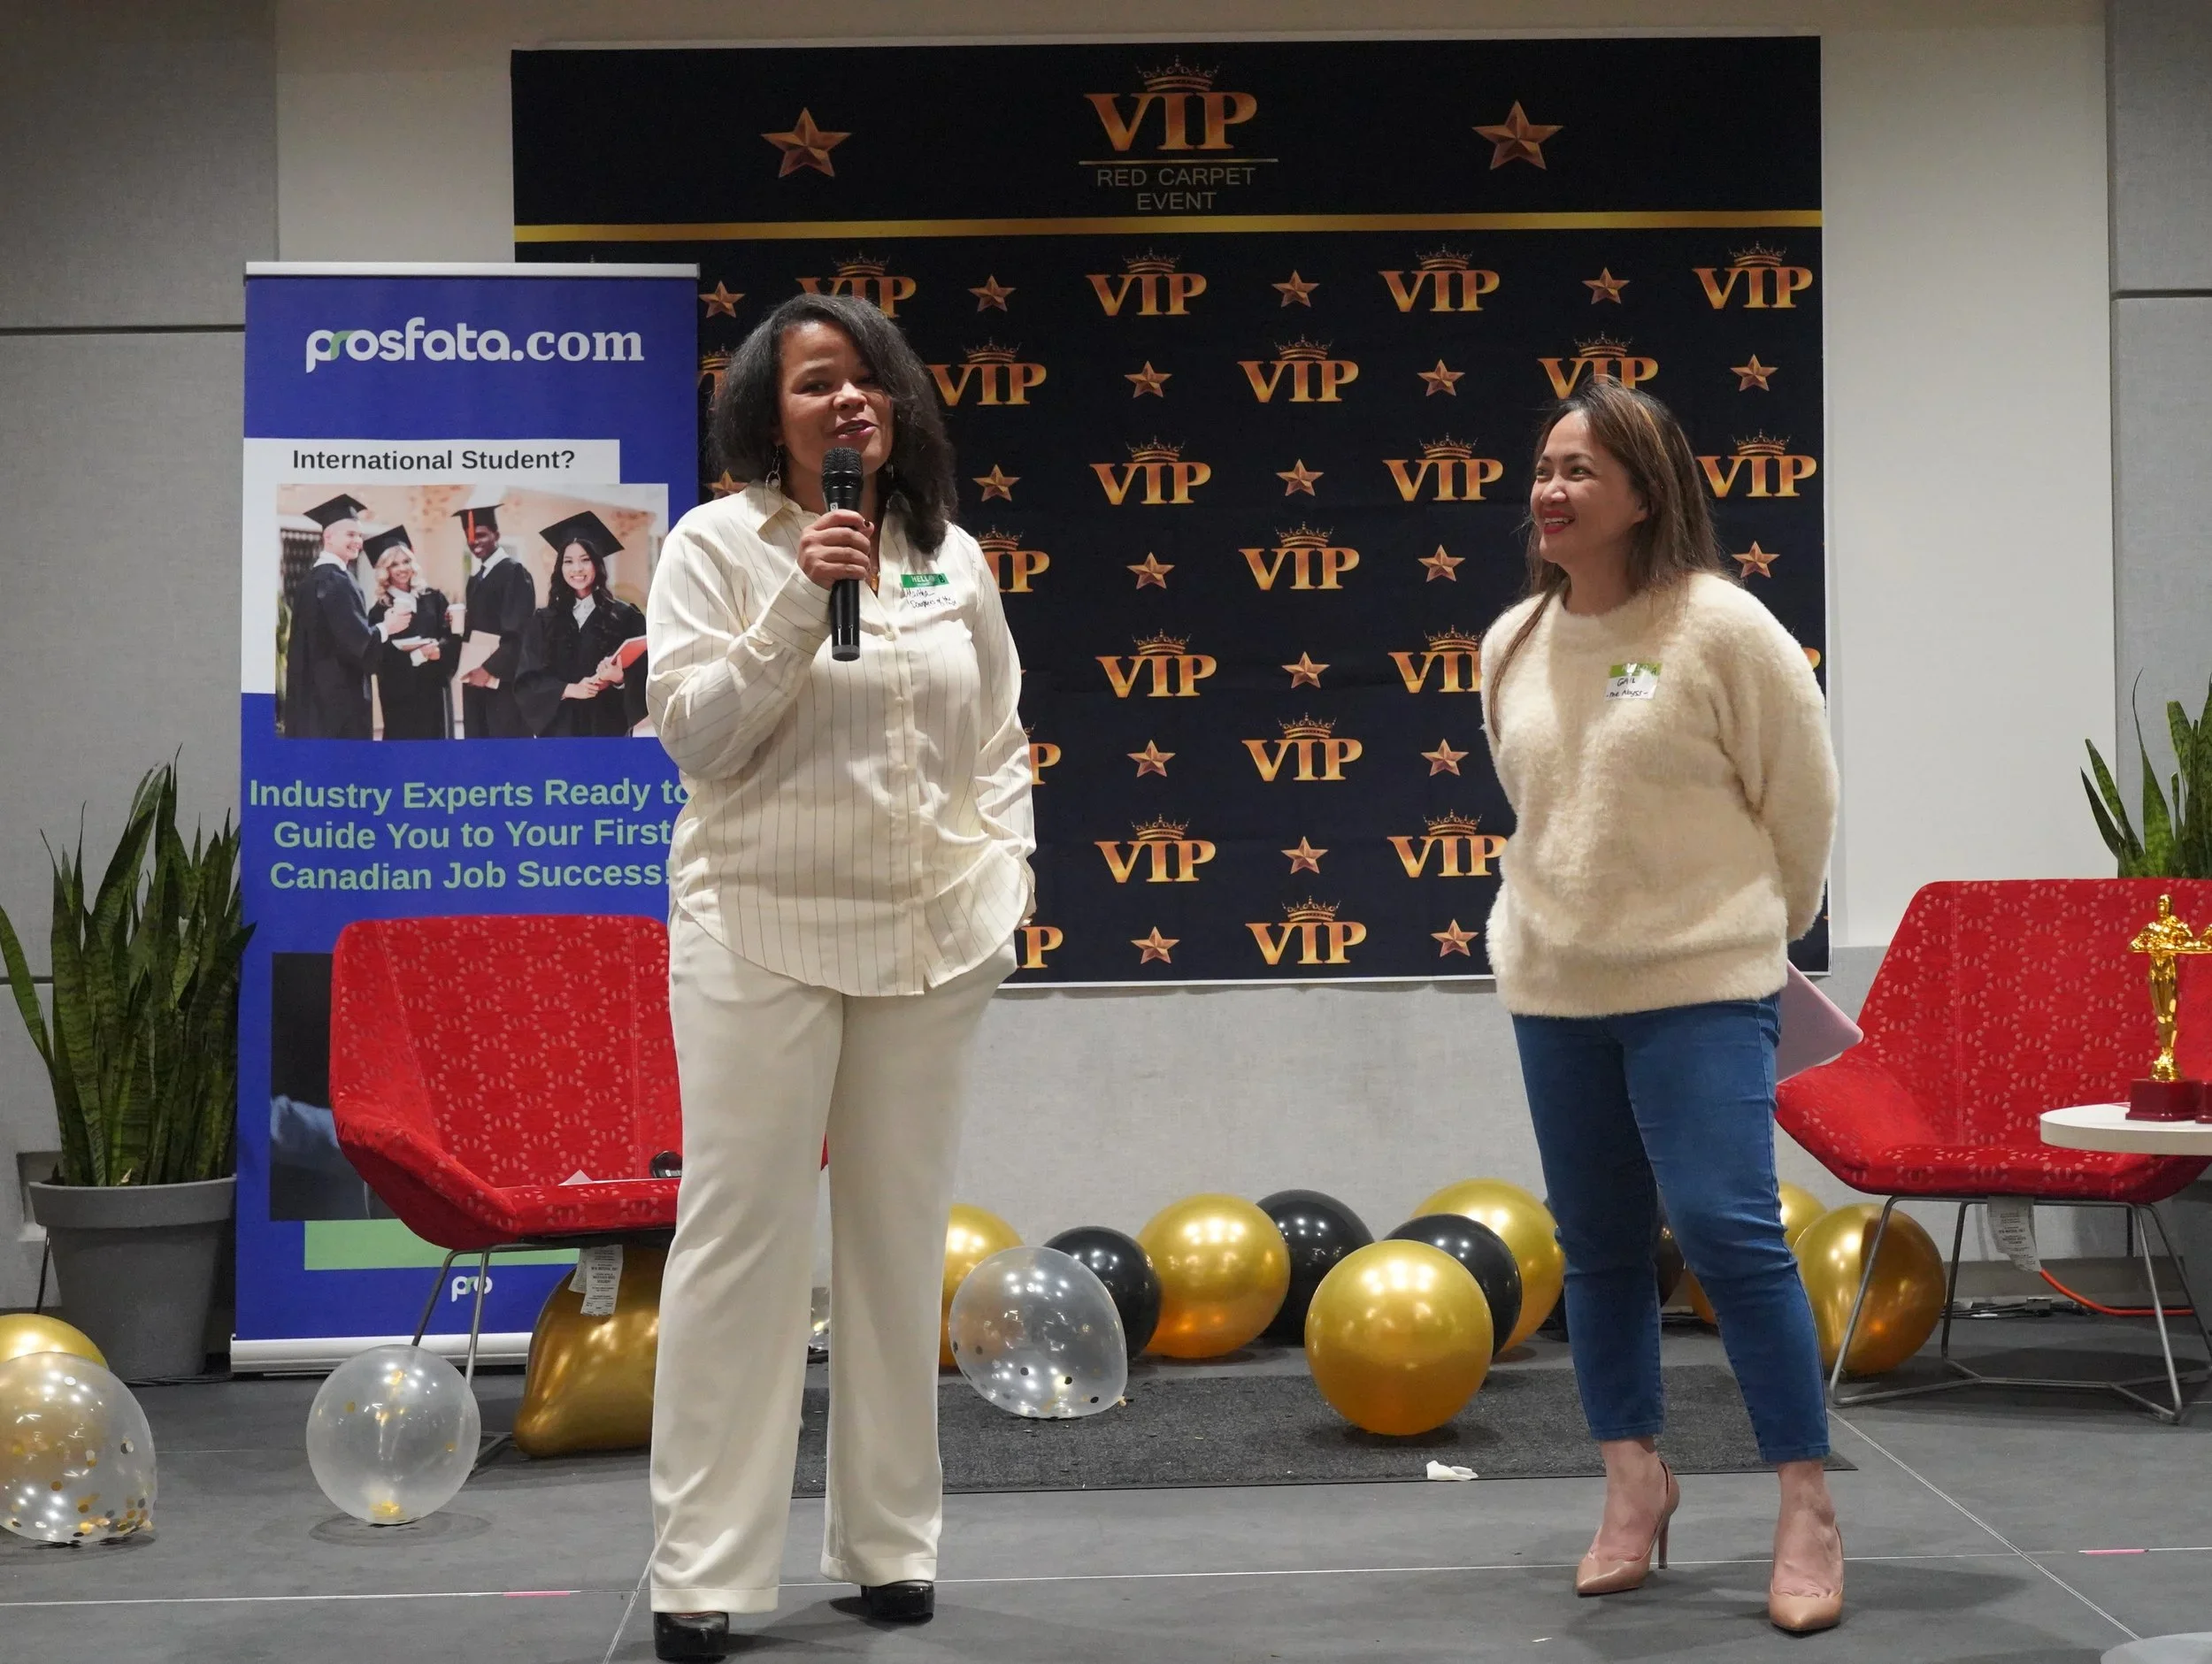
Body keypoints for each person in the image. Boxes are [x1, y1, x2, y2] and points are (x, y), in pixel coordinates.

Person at [643, 292, 1033, 1661]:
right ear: (769, 413)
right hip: (759, 927)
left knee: (895, 1239)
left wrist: (1006, 879)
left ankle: (888, 1545)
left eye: (867, 379)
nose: (848, 401)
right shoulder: (713, 547)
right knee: (741, 1240)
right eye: (816, 383)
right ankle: (703, 1568)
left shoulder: (948, 555)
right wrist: (805, 599)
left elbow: (999, 740)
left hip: (930, 941)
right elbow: (697, 739)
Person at [1479, 377, 1844, 1634]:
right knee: (1597, 1245)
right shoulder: (1510, 642)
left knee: (1728, 1232)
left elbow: (1801, 798)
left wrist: (1761, 929)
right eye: (1544, 467)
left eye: (1580, 469)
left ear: (1646, 492)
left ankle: (1806, 1504)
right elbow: (1541, 809)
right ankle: (1633, 1480)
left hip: (1703, 980)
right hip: (1556, 986)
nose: (1551, 490)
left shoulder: (1722, 627)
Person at [283, 494, 414, 739]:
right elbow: (356, 644)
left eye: (360, 536)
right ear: (329, 537)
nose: (358, 542)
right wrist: (388, 627)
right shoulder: (335, 580)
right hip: (337, 705)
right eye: (350, 534)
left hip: (314, 699)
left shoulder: (312, 580)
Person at [514, 510, 649, 737]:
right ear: (560, 568)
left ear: (597, 564)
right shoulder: (544, 620)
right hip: (560, 730)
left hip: (606, 728)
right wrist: (569, 689)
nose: (576, 569)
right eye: (568, 561)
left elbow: (645, 674)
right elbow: (527, 681)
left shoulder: (625, 616)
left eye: (585, 560)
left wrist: (619, 679)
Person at [364, 525, 458, 740]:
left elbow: (451, 638)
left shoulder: (434, 599)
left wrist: (439, 651)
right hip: (401, 699)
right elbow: (378, 658)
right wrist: (416, 656)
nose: (402, 569)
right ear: (384, 570)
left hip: (435, 690)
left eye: (406, 561)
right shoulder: (379, 611)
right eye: (394, 564)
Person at [455, 498, 534, 737]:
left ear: (496, 535)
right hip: (475, 677)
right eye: (469, 537)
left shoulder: (514, 572)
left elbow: (519, 631)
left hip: (502, 680)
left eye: (481, 535)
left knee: (504, 743)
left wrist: (489, 669)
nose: (474, 542)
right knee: (478, 743)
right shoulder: (475, 579)